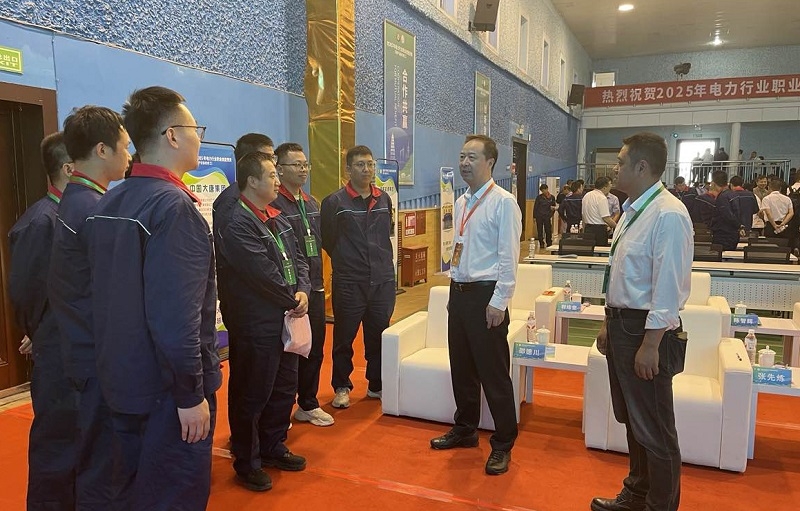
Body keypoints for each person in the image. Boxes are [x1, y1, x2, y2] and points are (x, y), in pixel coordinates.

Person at [86, 86, 220, 510]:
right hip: (166, 393)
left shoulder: (111, 200)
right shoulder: (173, 208)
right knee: (172, 495)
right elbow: (177, 321)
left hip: (121, 382)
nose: (200, 138)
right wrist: (190, 394)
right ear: (173, 135)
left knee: (130, 492)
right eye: (196, 129)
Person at [592, 132, 692, 511]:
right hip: (622, 325)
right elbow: (620, 275)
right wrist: (607, 322)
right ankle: (635, 494)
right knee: (634, 422)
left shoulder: (668, 214)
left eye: (620, 162)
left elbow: (668, 286)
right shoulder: (631, 211)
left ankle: (659, 505)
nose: (614, 169)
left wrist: (651, 344)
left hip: (646, 331)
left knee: (656, 429)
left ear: (642, 167)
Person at [48, 106, 131, 509]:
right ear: (102, 149)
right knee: (104, 463)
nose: (129, 155)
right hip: (97, 357)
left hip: (84, 349)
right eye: (125, 147)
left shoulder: (79, 200)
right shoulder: (94, 209)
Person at [215, 151, 311, 491]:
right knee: (253, 392)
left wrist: (303, 289)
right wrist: (292, 299)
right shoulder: (237, 223)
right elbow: (262, 274)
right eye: (271, 174)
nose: (277, 180)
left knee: (284, 387)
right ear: (252, 181)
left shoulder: (277, 217)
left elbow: (299, 258)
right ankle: (248, 461)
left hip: (286, 316)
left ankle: (273, 445)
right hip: (256, 323)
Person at [429, 134, 521, 476]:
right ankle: (465, 428)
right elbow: (461, 248)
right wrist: (454, 289)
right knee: (462, 368)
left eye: (472, 157)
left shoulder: (503, 203)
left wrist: (499, 302)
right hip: (460, 294)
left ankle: (503, 443)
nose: (464, 163)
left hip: (487, 297)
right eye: (462, 157)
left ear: (490, 162)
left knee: (493, 374)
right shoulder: (462, 201)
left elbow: (509, 258)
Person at [8, 132, 77, 510]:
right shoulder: (41, 222)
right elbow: (28, 294)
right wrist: (41, 332)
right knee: (58, 445)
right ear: (69, 168)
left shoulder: (73, 216)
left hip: (74, 348)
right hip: (57, 354)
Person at [320, 145, 395, 408]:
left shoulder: (384, 199)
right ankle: (342, 386)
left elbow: (386, 234)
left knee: (379, 336)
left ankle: (376, 384)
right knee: (344, 339)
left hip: (382, 281)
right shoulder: (335, 202)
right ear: (348, 169)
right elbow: (328, 239)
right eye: (360, 165)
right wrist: (348, 260)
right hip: (350, 282)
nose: (367, 169)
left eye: (370, 164)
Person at [213, 133, 275, 443]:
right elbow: (254, 267)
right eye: (268, 159)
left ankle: (266, 441)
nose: (274, 166)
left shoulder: (264, 202)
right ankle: (246, 449)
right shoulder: (232, 205)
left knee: (268, 383)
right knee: (249, 385)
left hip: (269, 308)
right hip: (249, 310)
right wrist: (289, 296)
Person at [271, 142, 334, 427]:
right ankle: (280, 410)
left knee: (314, 347)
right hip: (290, 291)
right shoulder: (274, 204)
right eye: (296, 164)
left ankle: (308, 404)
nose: (303, 169)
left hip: (315, 287)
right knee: (289, 351)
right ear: (280, 169)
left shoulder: (311, 203)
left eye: (305, 164)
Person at [709, 171, 740, 250]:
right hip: (733, 233)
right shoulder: (733, 194)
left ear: (714, 183)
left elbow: (727, 215)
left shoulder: (722, 197)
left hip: (723, 235)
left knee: (720, 255)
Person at [582, 176, 616, 246]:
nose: (610, 187)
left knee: (589, 250)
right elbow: (606, 218)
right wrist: (617, 226)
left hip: (587, 229)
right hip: (599, 231)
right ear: (604, 187)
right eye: (610, 185)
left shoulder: (586, 195)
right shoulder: (602, 198)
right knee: (600, 251)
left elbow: (583, 215)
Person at [533, 183, 556, 249]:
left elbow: (553, 207)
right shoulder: (539, 197)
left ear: (547, 189)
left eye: (544, 190)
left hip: (547, 216)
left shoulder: (552, 197)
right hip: (539, 216)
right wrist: (534, 216)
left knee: (548, 230)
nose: (544, 192)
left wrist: (551, 214)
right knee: (539, 230)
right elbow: (535, 207)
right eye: (542, 191)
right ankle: (541, 243)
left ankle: (549, 242)